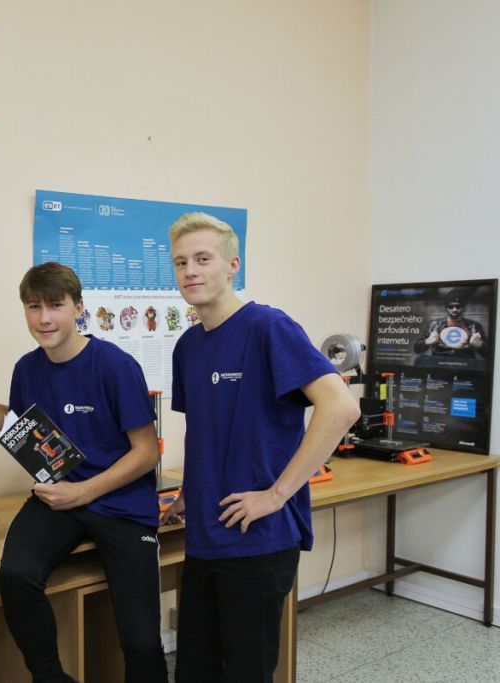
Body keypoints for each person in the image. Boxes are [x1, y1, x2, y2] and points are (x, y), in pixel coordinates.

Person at [0, 262, 167, 683]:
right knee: (16, 574)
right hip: (59, 498)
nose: (44, 318)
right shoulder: (27, 368)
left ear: (78, 308)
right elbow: (25, 428)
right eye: (33, 307)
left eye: (55, 305)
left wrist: (85, 492)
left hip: (120, 503)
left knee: (140, 641)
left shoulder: (115, 366)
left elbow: (147, 452)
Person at [162, 213, 359, 682]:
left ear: (233, 265)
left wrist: (275, 495)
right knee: (195, 670)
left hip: (258, 537)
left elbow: (340, 407)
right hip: (205, 534)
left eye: (203, 259)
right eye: (181, 262)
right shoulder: (187, 346)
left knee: (247, 672)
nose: (190, 271)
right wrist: (189, 492)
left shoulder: (269, 327)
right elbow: (203, 428)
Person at [413, 293, 488, 362]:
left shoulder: (474, 325)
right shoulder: (435, 325)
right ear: (446, 308)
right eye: (451, 307)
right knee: (420, 360)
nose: (454, 309)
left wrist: (480, 344)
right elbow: (417, 349)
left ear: (463, 308)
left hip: (464, 363)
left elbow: (489, 353)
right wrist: (427, 341)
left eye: (458, 306)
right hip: (440, 363)